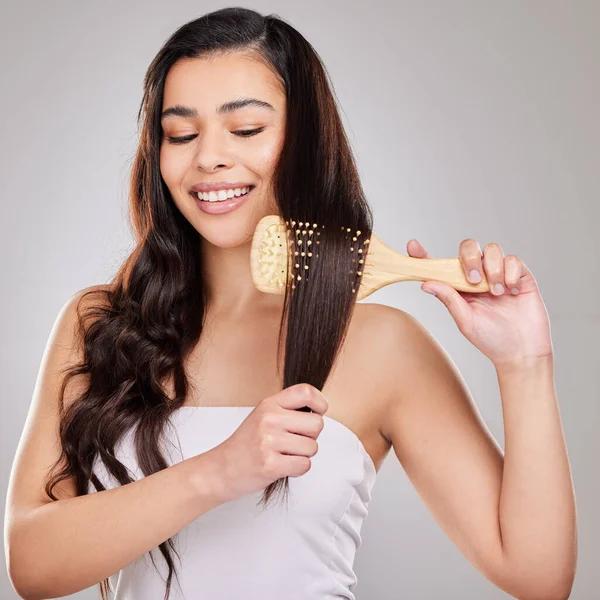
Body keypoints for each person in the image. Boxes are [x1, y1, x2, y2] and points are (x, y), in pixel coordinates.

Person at [5, 7, 576, 600]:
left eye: (247, 130)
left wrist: (524, 364)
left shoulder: (383, 345)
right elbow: (31, 563)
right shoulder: (98, 326)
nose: (209, 157)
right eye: (181, 134)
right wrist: (220, 471)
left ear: (304, 141)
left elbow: (537, 576)